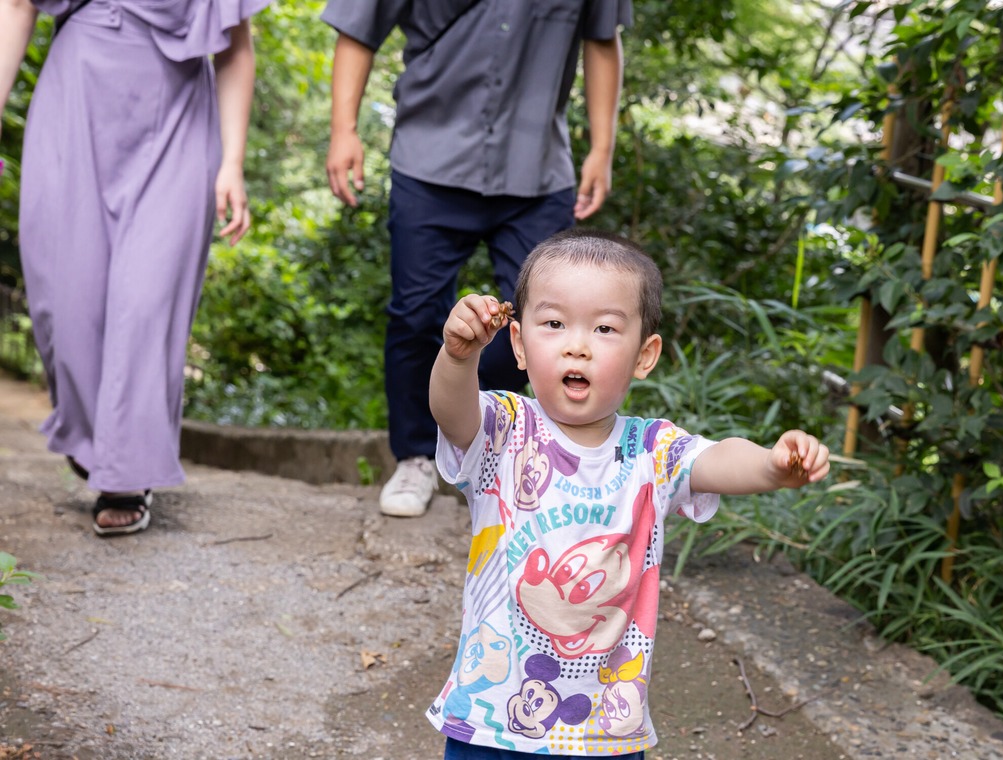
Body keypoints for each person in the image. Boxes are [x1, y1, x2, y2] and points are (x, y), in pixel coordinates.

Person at [426, 228, 831, 757]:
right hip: (491, 718)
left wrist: (774, 466)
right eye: (553, 324)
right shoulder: (505, 427)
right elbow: (451, 412)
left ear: (645, 355)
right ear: (520, 345)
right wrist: (458, 359)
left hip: (606, 726)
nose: (577, 344)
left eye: (604, 328)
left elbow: (717, 458)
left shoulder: (652, 449)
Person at [320, 0, 631, 518]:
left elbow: (602, 39)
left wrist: (603, 147)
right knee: (417, 314)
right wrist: (342, 129)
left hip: (537, 169)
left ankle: (488, 448)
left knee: (542, 325)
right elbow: (359, 28)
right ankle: (417, 456)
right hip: (429, 160)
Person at [0, 0, 268, 535]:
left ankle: (123, 470)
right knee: (66, 302)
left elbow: (236, 45)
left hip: (175, 118)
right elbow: (16, 6)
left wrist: (232, 162)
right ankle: (93, 433)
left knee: (147, 299)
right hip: (75, 101)